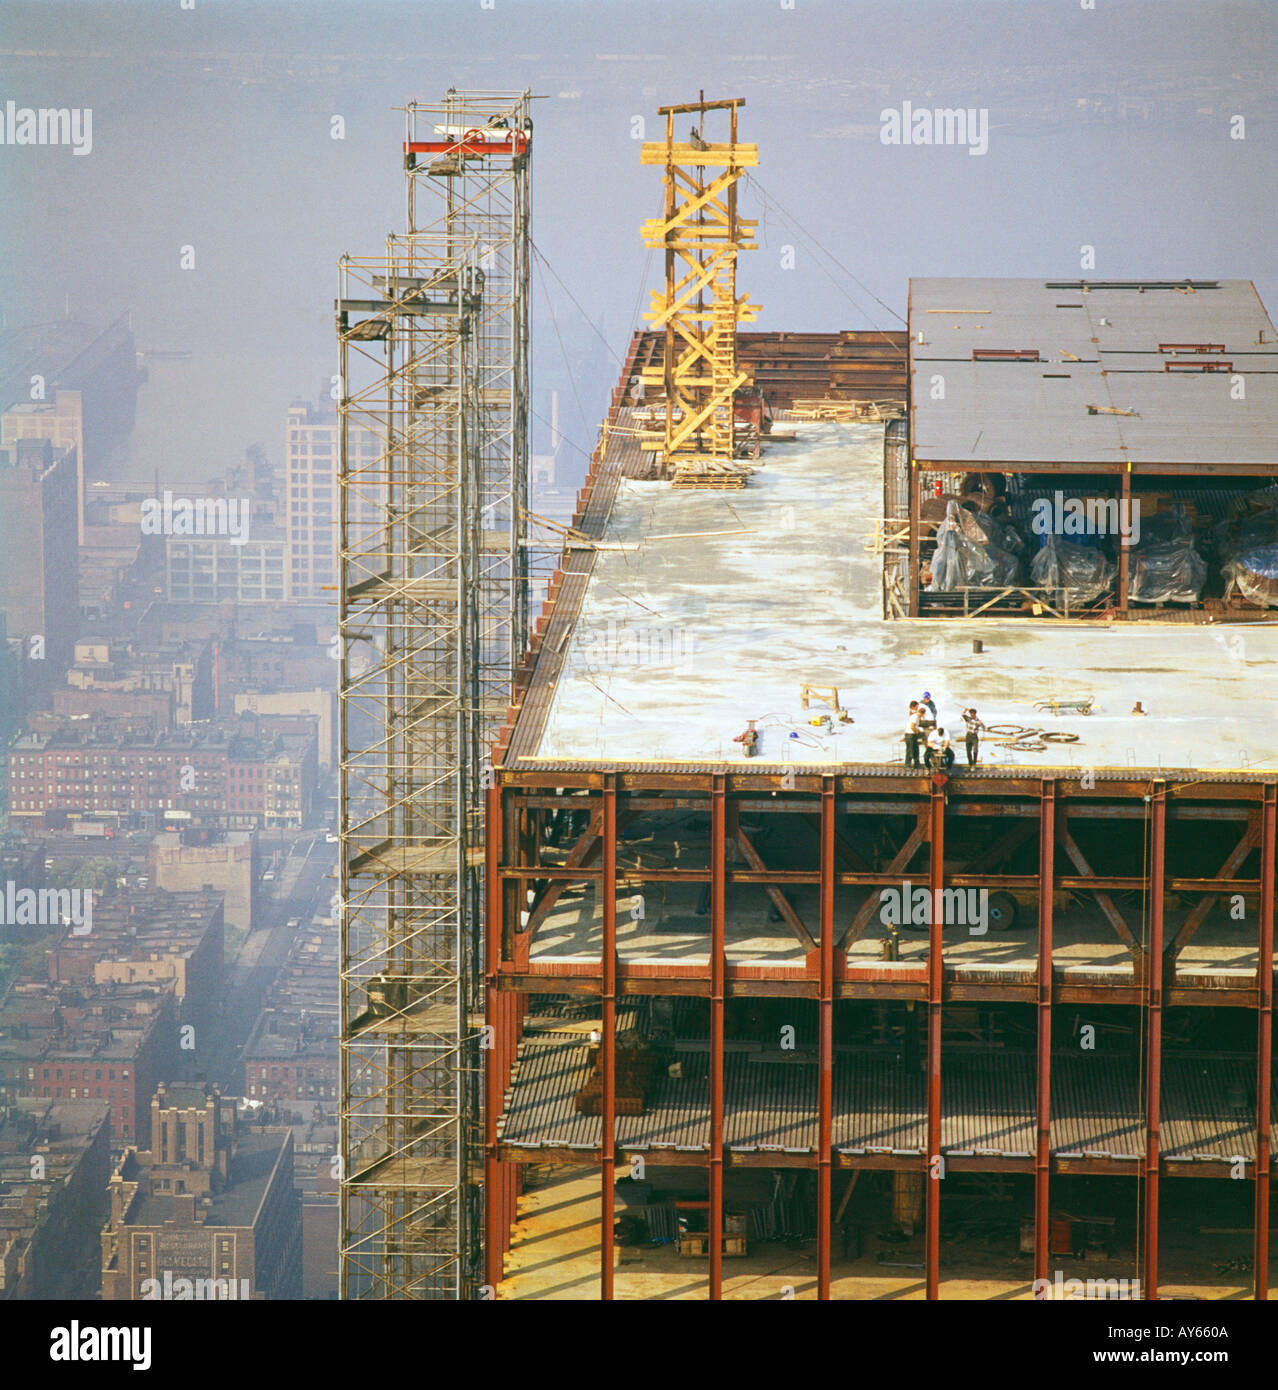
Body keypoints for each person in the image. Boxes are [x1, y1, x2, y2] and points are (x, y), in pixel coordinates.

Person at [904, 701, 922, 769]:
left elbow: (910, 711)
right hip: (910, 735)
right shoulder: (915, 717)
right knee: (910, 750)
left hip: (912, 735)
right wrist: (917, 732)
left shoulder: (915, 715)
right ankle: (907, 765)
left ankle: (916, 764)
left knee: (915, 750)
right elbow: (912, 727)